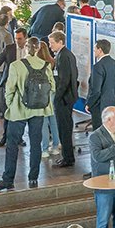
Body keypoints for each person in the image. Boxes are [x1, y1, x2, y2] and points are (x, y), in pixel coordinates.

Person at [0, 37, 54, 193]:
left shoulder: (16, 65)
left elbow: (9, 89)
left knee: (12, 145)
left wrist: (10, 105)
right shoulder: (46, 65)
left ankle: (8, 179)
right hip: (39, 109)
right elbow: (52, 87)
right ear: (38, 49)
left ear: (25, 48)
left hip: (18, 110)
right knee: (36, 143)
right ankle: (33, 177)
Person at [46, 30, 78, 167]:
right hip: (67, 97)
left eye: (52, 43)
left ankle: (67, 158)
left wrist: (57, 97)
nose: (50, 45)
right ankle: (66, 156)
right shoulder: (66, 54)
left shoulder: (63, 56)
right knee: (65, 128)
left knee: (64, 128)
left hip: (64, 98)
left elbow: (64, 79)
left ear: (60, 42)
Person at [86, 38, 115, 130]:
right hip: (111, 102)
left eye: (95, 50)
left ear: (100, 50)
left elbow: (96, 90)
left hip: (99, 106)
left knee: (99, 133)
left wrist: (89, 103)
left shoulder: (98, 66)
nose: (94, 52)